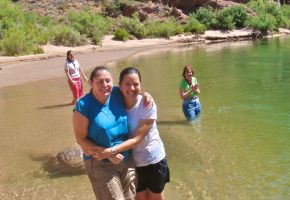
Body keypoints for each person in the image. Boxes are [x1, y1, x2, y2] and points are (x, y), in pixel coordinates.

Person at [73, 66, 152, 200]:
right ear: (91, 83)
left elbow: (133, 91)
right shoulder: (83, 106)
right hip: (100, 162)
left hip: (126, 159)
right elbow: (81, 140)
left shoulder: (116, 93)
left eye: (108, 81)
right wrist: (108, 153)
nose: (105, 85)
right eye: (100, 81)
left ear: (113, 82)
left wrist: (145, 95)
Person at [95, 67, 170, 200]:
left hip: (154, 160)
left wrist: (111, 151)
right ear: (119, 86)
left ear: (140, 85)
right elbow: (99, 91)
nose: (131, 88)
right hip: (133, 162)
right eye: (127, 84)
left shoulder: (147, 105)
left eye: (136, 84)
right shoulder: (115, 102)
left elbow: (138, 139)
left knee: (154, 198)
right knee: (139, 197)